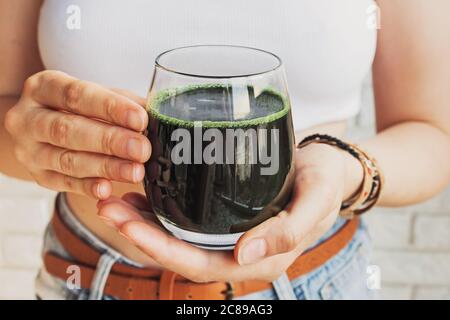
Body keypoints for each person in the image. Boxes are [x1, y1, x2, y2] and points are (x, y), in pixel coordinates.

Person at [0, 0, 448, 300]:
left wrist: (343, 168)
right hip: (90, 280)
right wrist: (31, 142)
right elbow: (8, 109)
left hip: (318, 282)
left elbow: (432, 133)